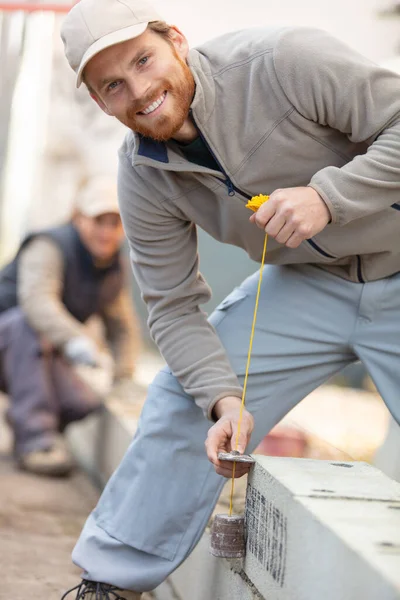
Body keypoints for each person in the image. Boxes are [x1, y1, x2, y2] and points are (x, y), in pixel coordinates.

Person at [60, 0, 400, 597]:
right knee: (182, 398)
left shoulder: (285, 61)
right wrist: (221, 400)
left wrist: (331, 197)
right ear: (98, 101)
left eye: (144, 60)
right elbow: (170, 303)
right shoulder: (141, 175)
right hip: (309, 286)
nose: (139, 90)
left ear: (177, 41)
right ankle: (110, 583)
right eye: (113, 84)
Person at [0, 177, 141, 477]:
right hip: (9, 339)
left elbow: (121, 327)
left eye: (114, 223)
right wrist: (77, 340)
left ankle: (33, 425)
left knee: (83, 401)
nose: (106, 231)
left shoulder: (112, 266)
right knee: (26, 323)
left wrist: (123, 377)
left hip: (37, 352)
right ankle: (37, 442)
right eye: (97, 220)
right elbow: (37, 301)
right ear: (78, 218)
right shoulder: (49, 246)